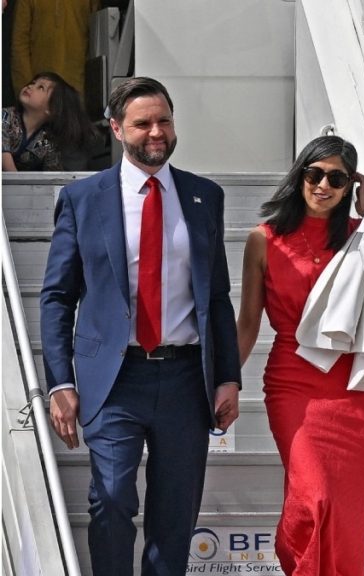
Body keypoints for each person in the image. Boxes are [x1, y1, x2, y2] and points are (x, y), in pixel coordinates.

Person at [39, 76, 241, 575]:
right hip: (113, 379)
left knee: (175, 515)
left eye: (164, 120)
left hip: (184, 379)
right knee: (110, 501)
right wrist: (60, 382)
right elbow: (57, 297)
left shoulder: (203, 197)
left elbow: (217, 297)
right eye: (143, 123)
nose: (156, 131)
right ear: (115, 128)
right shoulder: (84, 200)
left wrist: (228, 377)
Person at [235, 135, 364, 575]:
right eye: (315, 174)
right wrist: (223, 379)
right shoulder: (263, 240)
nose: (323, 186)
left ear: (349, 186)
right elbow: (247, 322)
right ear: (300, 175)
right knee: (312, 498)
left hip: (352, 391)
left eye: (336, 178)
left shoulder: (363, 237)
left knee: (346, 512)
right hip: (293, 384)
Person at [3, 71, 95, 171]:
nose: (30, 86)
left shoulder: (47, 142)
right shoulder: (5, 115)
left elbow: (52, 177)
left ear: (52, 109)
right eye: (33, 83)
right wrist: (18, 183)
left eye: (41, 87)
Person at [11, 0, 97, 95]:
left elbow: (97, 40)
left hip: (77, 93)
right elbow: (20, 44)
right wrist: (27, 91)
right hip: (40, 94)